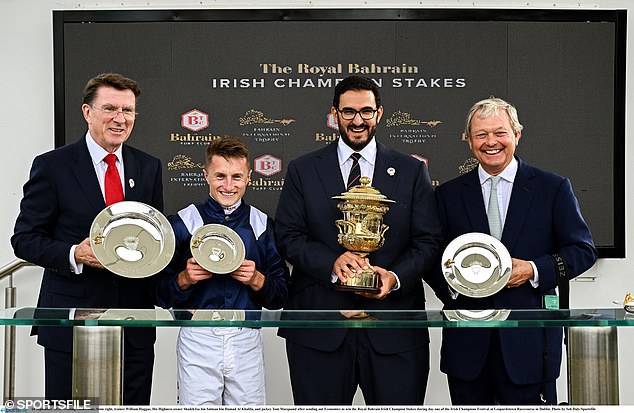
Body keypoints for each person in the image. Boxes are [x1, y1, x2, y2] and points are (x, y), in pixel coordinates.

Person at [274, 75, 442, 405]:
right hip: (319, 330)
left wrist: (393, 278)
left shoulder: (410, 171)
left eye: (366, 111)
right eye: (348, 112)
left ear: (379, 114)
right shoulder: (303, 169)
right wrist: (331, 264)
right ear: (334, 114)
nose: (357, 121)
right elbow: (287, 236)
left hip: (394, 329)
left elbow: (428, 242)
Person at [432, 97, 598, 405]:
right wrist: (455, 291)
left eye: (500, 132)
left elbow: (583, 250)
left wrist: (533, 271)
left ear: (517, 135)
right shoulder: (448, 195)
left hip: (531, 348)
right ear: (469, 141)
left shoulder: (553, 188)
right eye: (481, 134)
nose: (490, 142)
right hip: (468, 349)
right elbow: (431, 257)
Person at [11, 73, 163, 403]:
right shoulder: (53, 166)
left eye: (128, 110)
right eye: (110, 108)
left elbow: (155, 240)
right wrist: (73, 254)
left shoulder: (148, 167)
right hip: (71, 323)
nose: (120, 119)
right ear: (87, 112)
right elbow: (24, 238)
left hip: (133, 325)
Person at [154, 136, 289, 405]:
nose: (229, 186)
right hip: (198, 337)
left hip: (246, 337)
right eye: (220, 176)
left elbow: (282, 294)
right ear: (206, 175)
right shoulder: (182, 223)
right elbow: (158, 293)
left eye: (237, 177)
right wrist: (184, 278)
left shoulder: (262, 225)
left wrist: (257, 279)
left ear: (249, 176)